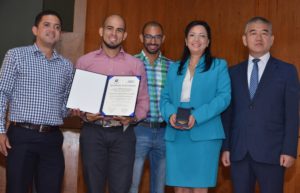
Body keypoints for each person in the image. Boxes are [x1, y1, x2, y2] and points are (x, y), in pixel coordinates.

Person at [221, 16, 299, 193]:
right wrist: (226, 147)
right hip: (239, 152)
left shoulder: (287, 71)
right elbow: (228, 115)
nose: (258, 38)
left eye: (264, 33)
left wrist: (289, 150)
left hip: (273, 153)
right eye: (252, 33)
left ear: (271, 39)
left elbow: (292, 115)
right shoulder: (232, 72)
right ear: (244, 39)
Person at [0, 10, 74, 193]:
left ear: (60, 34)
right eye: (47, 25)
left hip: (53, 139)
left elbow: (64, 107)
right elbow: (2, 93)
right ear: (35, 30)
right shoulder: (15, 56)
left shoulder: (67, 66)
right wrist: (0, 130)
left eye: (57, 27)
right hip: (21, 137)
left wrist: (75, 109)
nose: (52, 30)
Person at [75, 14, 149, 193]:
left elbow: (143, 102)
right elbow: (74, 102)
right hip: (93, 133)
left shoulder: (136, 65)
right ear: (101, 31)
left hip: (123, 135)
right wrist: (84, 114)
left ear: (124, 35)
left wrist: (131, 119)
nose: (114, 33)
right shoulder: (84, 62)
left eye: (119, 30)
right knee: (93, 187)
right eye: (109, 28)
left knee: (121, 188)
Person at [160, 20, 231, 193]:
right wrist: (170, 116)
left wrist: (197, 116)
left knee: (199, 188)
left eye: (202, 36)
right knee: (180, 188)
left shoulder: (219, 66)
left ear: (208, 42)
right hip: (176, 134)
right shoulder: (174, 67)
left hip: (205, 134)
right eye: (192, 35)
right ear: (185, 40)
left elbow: (224, 97)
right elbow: (164, 98)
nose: (196, 39)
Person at [129, 21, 172, 193]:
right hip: (138, 130)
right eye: (148, 36)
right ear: (141, 37)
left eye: (157, 36)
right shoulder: (131, 63)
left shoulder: (172, 66)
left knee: (159, 188)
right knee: (132, 185)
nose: (153, 41)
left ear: (163, 39)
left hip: (164, 132)